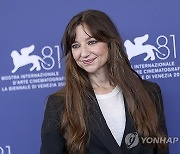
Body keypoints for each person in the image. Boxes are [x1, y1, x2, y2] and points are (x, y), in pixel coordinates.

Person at [40, 9, 169, 154]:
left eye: (92, 42)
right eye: (76, 46)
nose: (84, 53)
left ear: (110, 43)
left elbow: (161, 149)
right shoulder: (59, 104)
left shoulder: (150, 92)